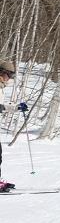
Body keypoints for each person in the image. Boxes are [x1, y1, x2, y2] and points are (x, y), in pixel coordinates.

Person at [0, 59, 16, 191]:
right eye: (8, 74)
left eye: (11, 75)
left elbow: (1, 107)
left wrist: (16, 108)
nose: (9, 78)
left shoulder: (1, 87)